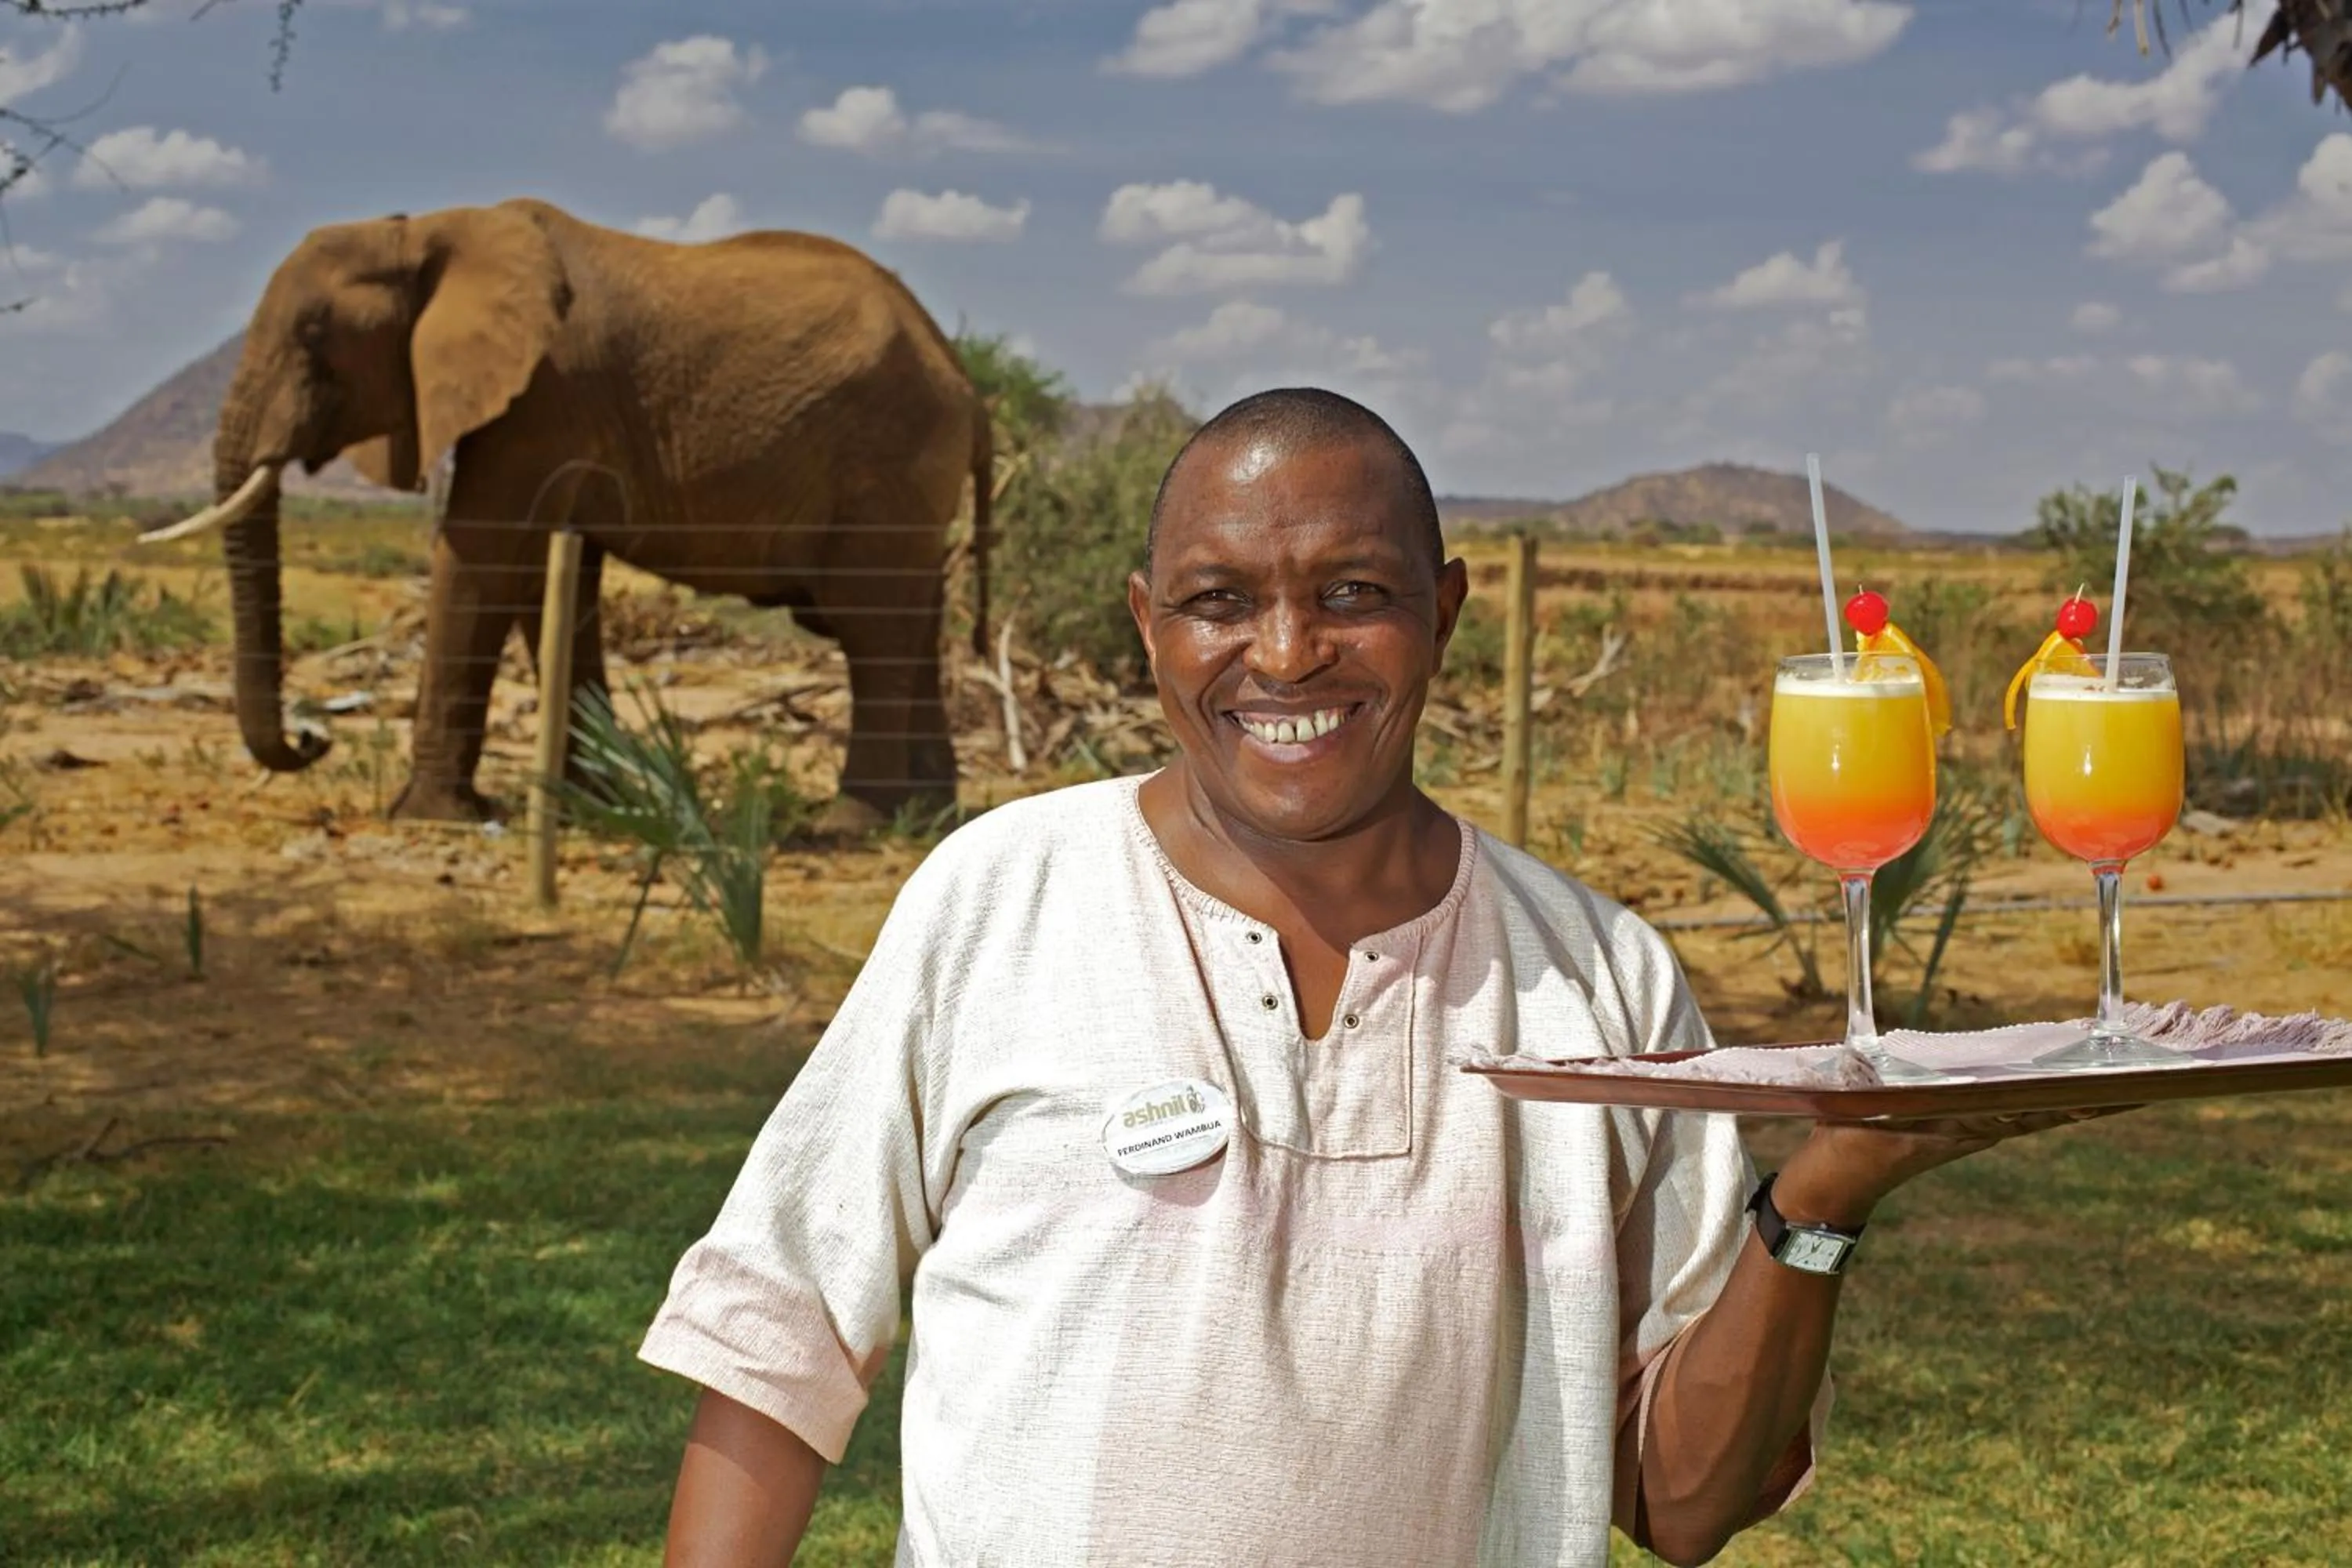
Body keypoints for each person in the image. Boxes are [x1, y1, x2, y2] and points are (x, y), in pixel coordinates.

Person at [639, 387, 2111, 1566]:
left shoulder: (1597, 979)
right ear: (1148, 623)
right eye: (1220, 600)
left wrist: (1826, 1196)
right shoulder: (1003, 897)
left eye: (1352, 591)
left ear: (1445, 611)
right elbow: (780, 1334)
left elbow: (1678, 1500)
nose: (1287, 655)